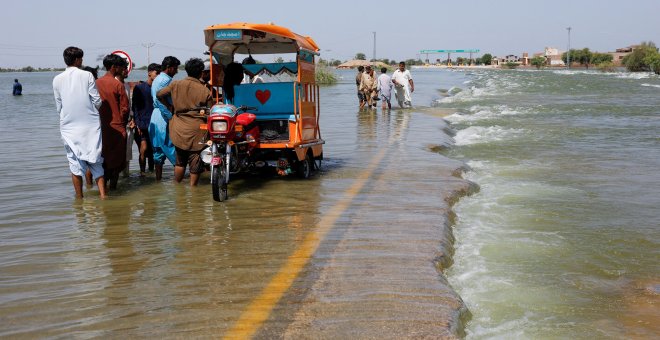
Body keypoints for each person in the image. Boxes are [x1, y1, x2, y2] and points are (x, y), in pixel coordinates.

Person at [52, 46, 106, 199]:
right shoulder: (87, 75)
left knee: (74, 164)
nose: (82, 61)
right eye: (81, 58)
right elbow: (97, 100)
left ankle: (79, 199)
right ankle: (103, 196)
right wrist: (92, 110)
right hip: (90, 125)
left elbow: (59, 106)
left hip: (68, 127)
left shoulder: (57, 79)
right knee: (95, 161)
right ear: (76, 60)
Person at [157, 58, 213, 186]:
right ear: (201, 73)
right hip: (197, 129)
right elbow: (211, 111)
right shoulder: (204, 90)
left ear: (186, 71)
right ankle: (193, 189)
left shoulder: (175, 84)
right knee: (195, 158)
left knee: (180, 160)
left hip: (178, 127)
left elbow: (159, 95)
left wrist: (169, 107)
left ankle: (177, 187)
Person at [96, 54, 130, 190]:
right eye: (121, 67)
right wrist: (123, 123)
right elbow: (125, 109)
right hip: (117, 128)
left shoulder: (96, 83)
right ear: (114, 67)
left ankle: (102, 190)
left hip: (100, 128)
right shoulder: (117, 84)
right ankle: (113, 190)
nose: (123, 70)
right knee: (116, 163)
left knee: (102, 161)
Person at [149, 56, 180, 180]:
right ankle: (179, 183)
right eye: (175, 69)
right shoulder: (166, 80)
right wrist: (170, 117)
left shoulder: (157, 79)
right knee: (172, 149)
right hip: (163, 117)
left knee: (158, 151)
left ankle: (158, 180)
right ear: (169, 68)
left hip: (155, 117)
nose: (176, 71)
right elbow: (160, 101)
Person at [132, 63, 160, 176]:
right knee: (143, 149)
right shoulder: (139, 88)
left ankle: (152, 172)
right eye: (156, 73)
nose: (158, 76)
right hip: (142, 124)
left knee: (153, 152)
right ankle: (142, 173)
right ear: (149, 73)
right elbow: (135, 107)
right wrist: (137, 123)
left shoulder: (158, 89)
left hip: (155, 123)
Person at [114, 62, 135, 178]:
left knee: (127, 155)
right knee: (117, 155)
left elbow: (129, 106)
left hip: (128, 125)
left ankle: (125, 178)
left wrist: (132, 119)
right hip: (118, 126)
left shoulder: (126, 86)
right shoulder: (115, 84)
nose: (126, 71)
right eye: (124, 69)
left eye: (127, 69)